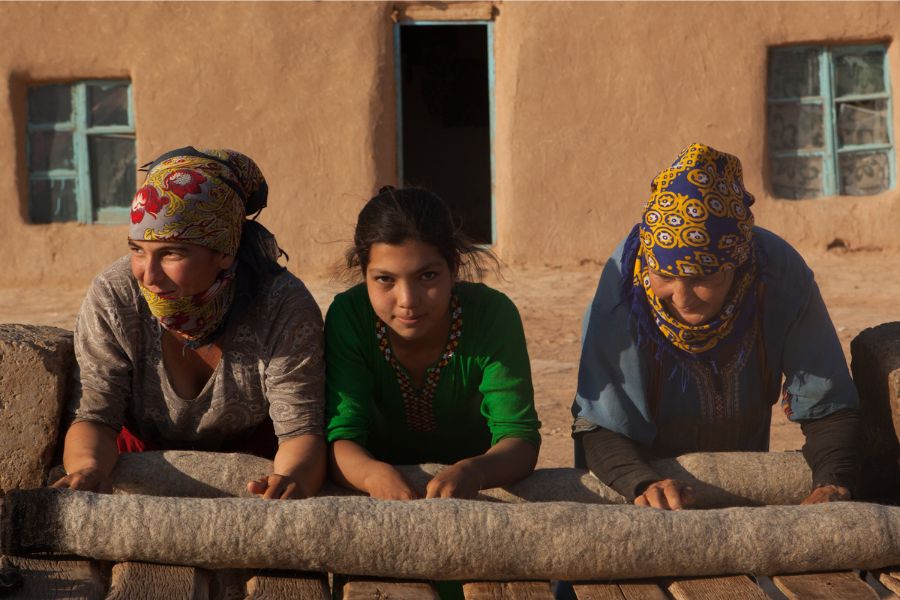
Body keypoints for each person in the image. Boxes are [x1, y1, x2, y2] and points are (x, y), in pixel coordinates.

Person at [571, 143, 861, 509]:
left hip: (738, 487)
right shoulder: (623, 289)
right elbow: (599, 422)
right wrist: (641, 483)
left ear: (736, 267)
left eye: (701, 278)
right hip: (634, 492)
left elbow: (829, 402)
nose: (681, 296)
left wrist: (832, 483)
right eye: (665, 275)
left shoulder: (779, 280)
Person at [52, 147, 326, 500]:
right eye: (138, 250)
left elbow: (300, 431)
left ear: (225, 252)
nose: (147, 276)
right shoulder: (117, 294)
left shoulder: (281, 305)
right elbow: (95, 413)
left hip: (252, 467)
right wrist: (88, 469)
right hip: (135, 459)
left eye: (172, 253)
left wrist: (290, 480)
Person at [325, 186, 542, 501]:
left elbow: (519, 439)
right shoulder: (350, 318)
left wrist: (474, 471)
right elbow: (340, 439)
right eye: (385, 279)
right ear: (364, 274)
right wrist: (372, 475)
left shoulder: (492, 315)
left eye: (427, 276)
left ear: (453, 268)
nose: (408, 301)